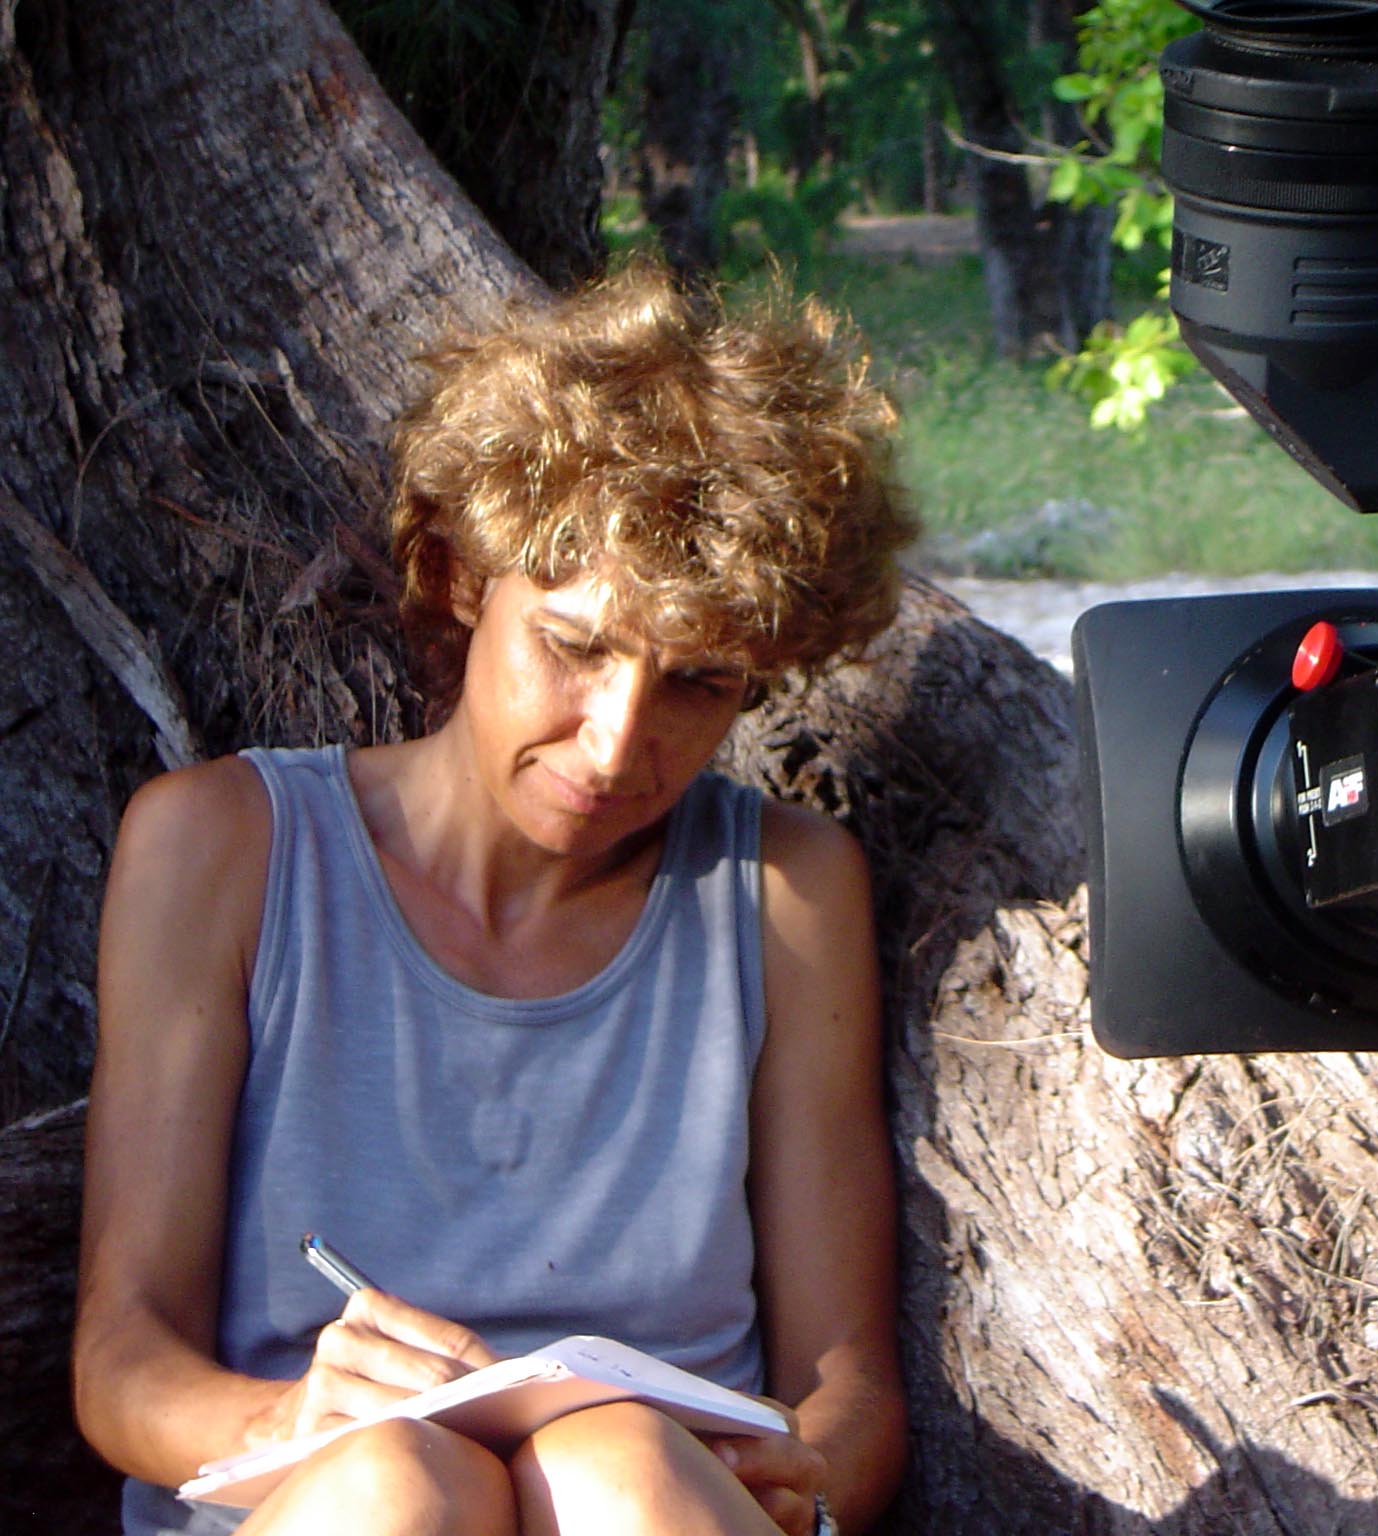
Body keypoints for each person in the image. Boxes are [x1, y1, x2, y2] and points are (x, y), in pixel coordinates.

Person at [72, 261, 917, 1536]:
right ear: (464, 576)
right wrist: (287, 1423)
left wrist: (802, 1475)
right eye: (574, 647)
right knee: (397, 1481)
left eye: (698, 684)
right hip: (321, 1499)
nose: (616, 745)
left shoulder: (781, 894)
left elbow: (845, 1381)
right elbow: (122, 1357)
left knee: (621, 1467)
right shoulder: (222, 849)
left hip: (665, 1503)